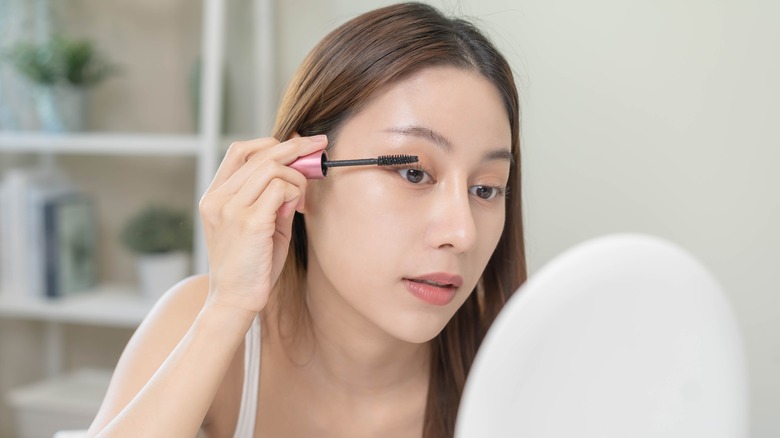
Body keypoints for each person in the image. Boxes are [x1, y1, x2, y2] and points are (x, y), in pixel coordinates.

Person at [88, 2, 526, 437]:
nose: (462, 233)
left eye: (485, 189)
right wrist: (228, 309)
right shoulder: (205, 323)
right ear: (304, 169)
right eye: (414, 173)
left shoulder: (520, 367)